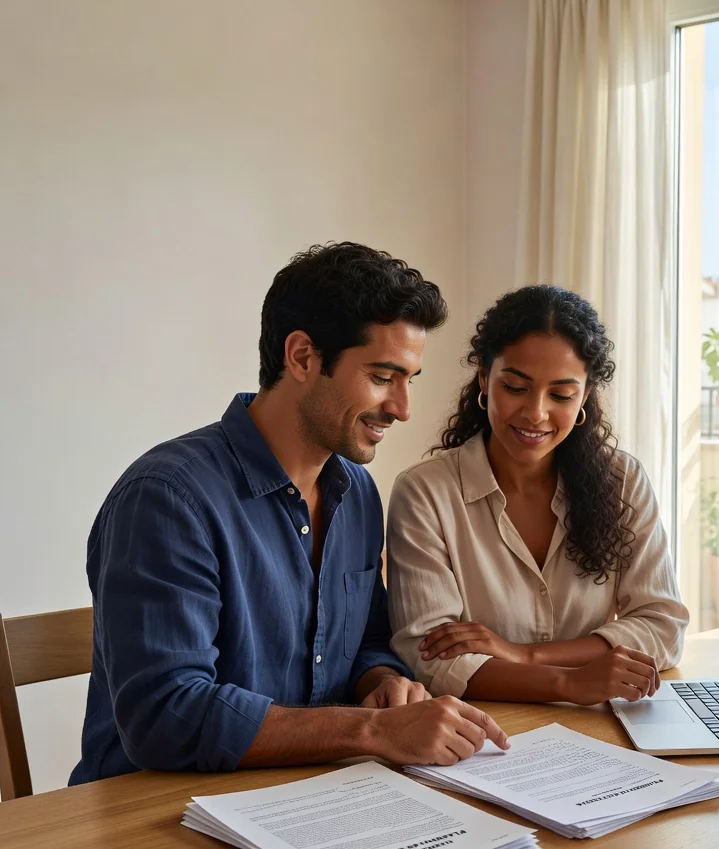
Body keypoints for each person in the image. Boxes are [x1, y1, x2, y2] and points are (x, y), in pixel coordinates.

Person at [70, 242, 508, 785]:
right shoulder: (167, 499)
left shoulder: (357, 493)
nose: (402, 408)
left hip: (306, 796)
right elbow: (166, 716)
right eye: (382, 377)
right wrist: (373, 730)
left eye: (408, 380)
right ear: (301, 357)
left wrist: (383, 683)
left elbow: (367, 641)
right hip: (151, 813)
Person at [386, 285, 687, 704]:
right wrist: (569, 683)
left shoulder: (624, 481)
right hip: (486, 727)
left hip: (604, 720)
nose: (536, 413)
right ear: (484, 377)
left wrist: (526, 655)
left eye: (561, 395)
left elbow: (663, 627)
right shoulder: (425, 493)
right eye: (515, 387)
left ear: (585, 395)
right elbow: (431, 661)